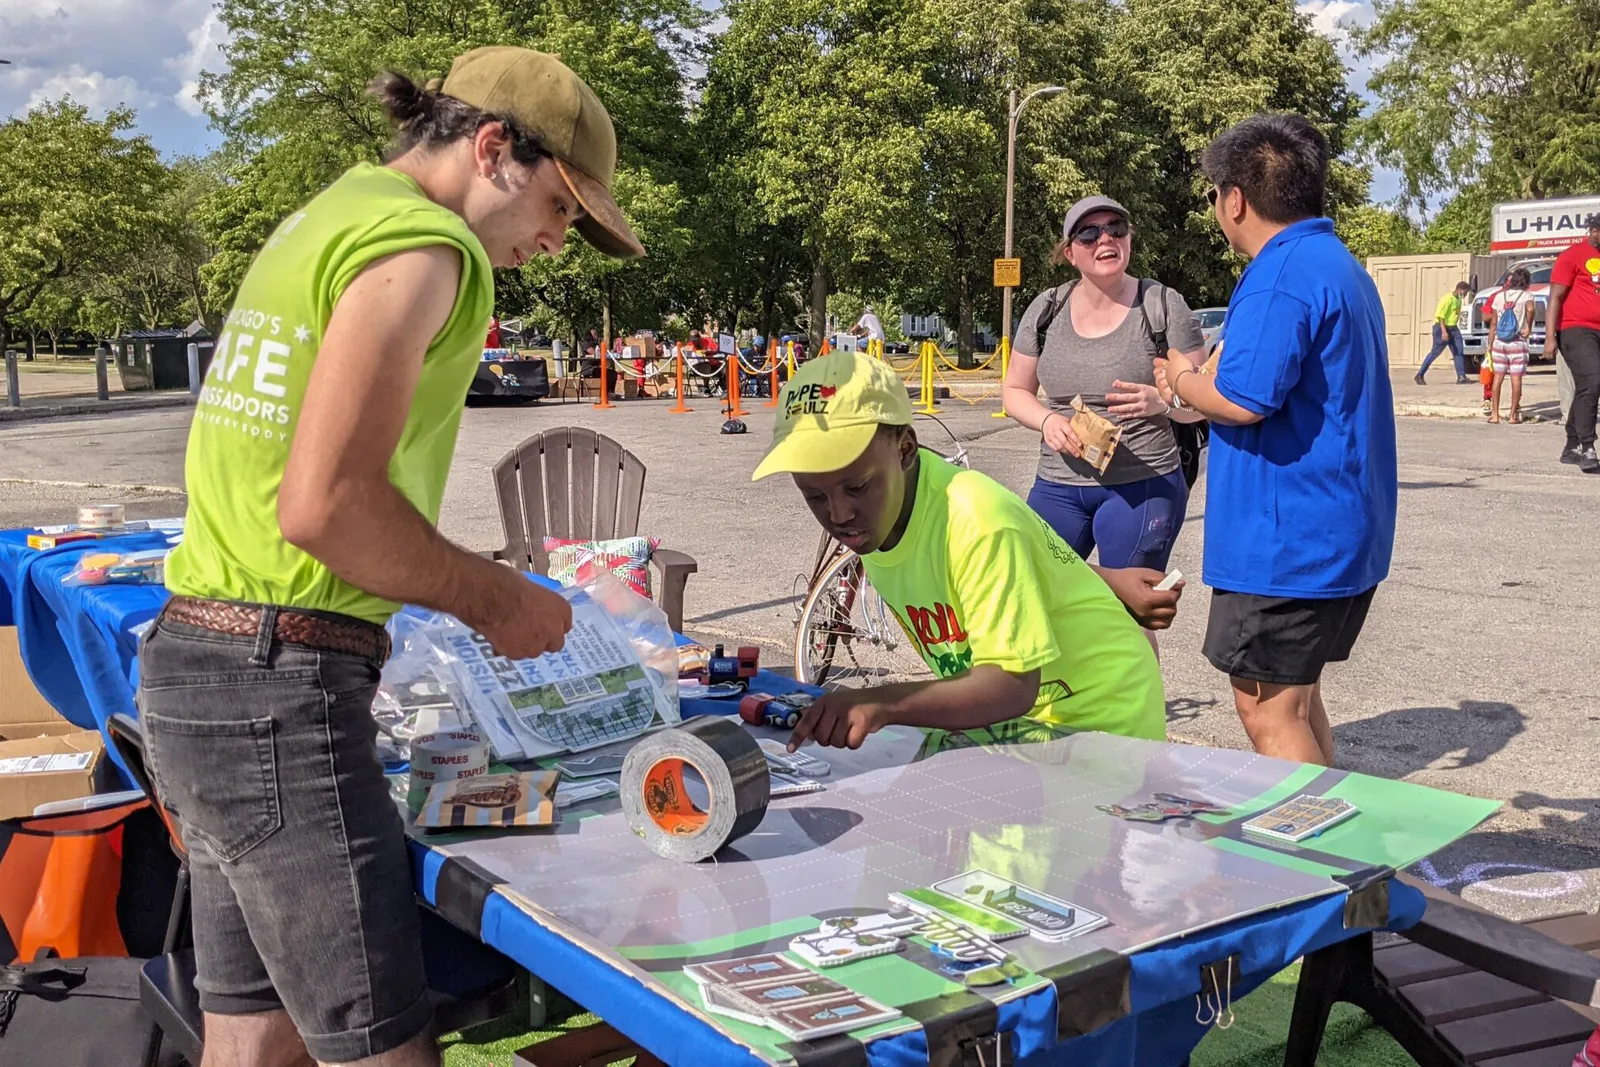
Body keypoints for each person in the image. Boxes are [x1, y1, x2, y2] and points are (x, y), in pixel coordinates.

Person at [143, 48, 642, 1067]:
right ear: (493, 147)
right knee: (378, 1046)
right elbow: (327, 505)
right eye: (557, 207)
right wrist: (495, 596)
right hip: (279, 683)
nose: (554, 242)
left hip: (199, 663)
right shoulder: (425, 248)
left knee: (254, 1036)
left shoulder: (333, 213)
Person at [754, 352, 1178, 752]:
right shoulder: (878, 516)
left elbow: (1011, 684)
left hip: (1097, 726)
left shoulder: (974, 515)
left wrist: (883, 703)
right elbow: (1017, 561)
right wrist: (1104, 579)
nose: (840, 513)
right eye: (815, 497)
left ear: (903, 450)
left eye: (856, 487)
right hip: (1015, 725)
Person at [1154, 113, 1396, 767]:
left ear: (1234, 198)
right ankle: (1340, 849)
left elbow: (1239, 399)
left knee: (1267, 708)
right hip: (1334, 530)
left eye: (1213, 196)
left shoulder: (1281, 274)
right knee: (1298, 702)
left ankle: (1315, 862)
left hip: (1287, 539)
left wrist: (1179, 375)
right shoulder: (1336, 264)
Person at [1004, 195, 1209, 576]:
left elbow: (1204, 402)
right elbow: (1015, 391)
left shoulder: (1163, 305)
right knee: (1037, 594)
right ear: (1070, 252)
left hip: (1143, 484)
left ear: (1128, 239)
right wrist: (1048, 421)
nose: (1105, 240)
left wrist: (1161, 403)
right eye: (1089, 234)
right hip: (1058, 485)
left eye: (1116, 229)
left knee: (1129, 615)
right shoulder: (1046, 309)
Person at [1546, 215, 1600, 472]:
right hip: (1576, 329)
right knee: (1592, 380)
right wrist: (1549, 337)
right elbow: (1555, 297)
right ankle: (1588, 446)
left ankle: (1571, 444)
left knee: (1586, 387)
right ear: (1593, 231)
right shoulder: (1572, 255)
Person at [1485, 266, 1535, 424]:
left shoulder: (1500, 296)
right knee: (1516, 379)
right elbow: (1531, 309)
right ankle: (1513, 416)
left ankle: (1495, 415)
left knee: (1498, 378)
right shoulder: (1527, 296)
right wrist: (1529, 325)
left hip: (1500, 342)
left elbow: (1493, 322)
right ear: (1526, 282)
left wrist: (1490, 344)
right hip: (1517, 342)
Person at [1415, 281, 1472, 384]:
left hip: (1453, 328)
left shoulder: (1458, 300)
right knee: (1435, 352)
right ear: (1460, 290)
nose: (1466, 295)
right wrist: (1444, 332)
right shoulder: (1446, 299)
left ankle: (1461, 376)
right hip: (1442, 328)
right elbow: (1441, 316)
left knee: (1458, 351)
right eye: (1466, 292)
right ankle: (1419, 375)